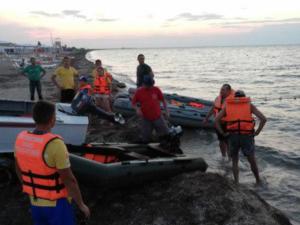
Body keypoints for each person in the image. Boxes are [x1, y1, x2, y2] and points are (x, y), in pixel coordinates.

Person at [14, 101, 90, 225]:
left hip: (35, 202)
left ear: (34, 118)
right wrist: (81, 204)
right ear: (52, 119)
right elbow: (69, 179)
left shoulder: (21, 139)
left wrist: (32, 189)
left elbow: (18, 169)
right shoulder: (55, 144)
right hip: (57, 204)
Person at [215, 90, 267, 185]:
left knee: (235, 161)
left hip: (232, 136)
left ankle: (236, 182)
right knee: (252, 160)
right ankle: (258, 180)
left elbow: (216, 120)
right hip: (247, 136)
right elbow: (263, 119)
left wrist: (222, 133)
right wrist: (257, 132)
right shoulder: (249, 105)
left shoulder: (228, 106)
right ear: (244, 97)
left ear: (234, 97)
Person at [132, 75, 169, 143]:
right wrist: (137, 109)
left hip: (158, 117)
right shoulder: (139, 92)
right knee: (145, 138)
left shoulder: (156, 89)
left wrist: (166, 111)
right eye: (148, 85)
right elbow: (133, 103)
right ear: (143, 84)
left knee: (166, 134)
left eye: (151, 85)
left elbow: (163, 100)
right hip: (146, 118)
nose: (150, 86)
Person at [203, 84, 235, 159]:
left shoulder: (232, 100)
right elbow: (213, 109)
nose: (221, 91)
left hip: (228, 123)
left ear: (229, 91)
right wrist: (206, 118)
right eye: (221, 89)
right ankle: (223, 156)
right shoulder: (218, 98)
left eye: (223, 90)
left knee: (228, 142)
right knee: (221, 141)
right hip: (218, 124)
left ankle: (230, 158)